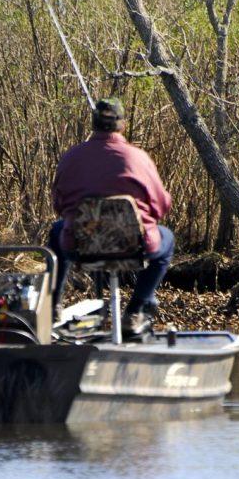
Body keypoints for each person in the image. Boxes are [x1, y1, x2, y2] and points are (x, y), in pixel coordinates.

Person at [48, 98, 174, 334]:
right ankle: (135, 312)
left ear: (93, 124)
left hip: (79, 246)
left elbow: (60, 205)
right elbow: (161, 207)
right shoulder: (138, 158)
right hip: (135, 246)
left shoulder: (71, 157)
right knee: (167, 238)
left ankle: (53, 304)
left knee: (57, 229)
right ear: (122, 125)